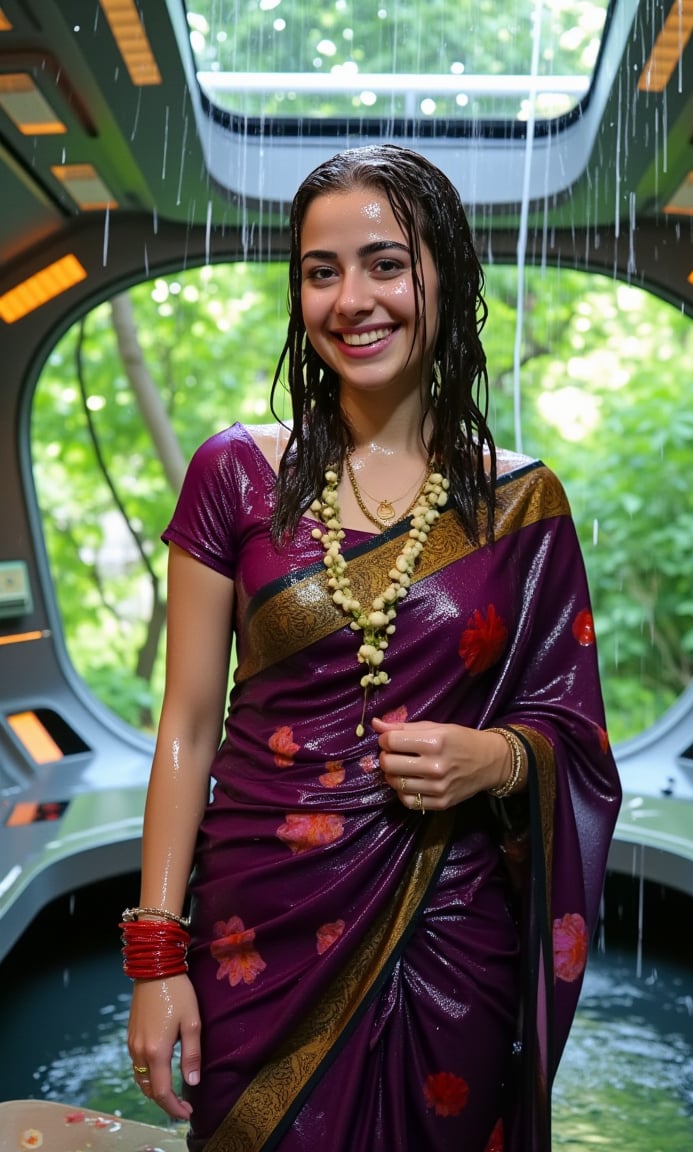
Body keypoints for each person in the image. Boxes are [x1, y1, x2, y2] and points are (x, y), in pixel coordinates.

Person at [123, 143, 621, 1152]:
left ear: (446, 277)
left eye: (386, 263)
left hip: (454, 931)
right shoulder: (234, 476)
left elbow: (576, 734)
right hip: (254, 923)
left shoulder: (522, 505)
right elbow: (184, 728)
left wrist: (498, 757)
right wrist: (156, 956)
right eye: (322, 270)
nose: (354, 299)